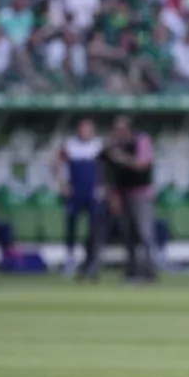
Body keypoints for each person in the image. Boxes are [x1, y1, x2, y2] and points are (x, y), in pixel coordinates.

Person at [101, 116, 157, 282]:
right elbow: (107, 172)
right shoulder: (113, 146)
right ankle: (132, 270)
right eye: (116, 129)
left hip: (141, 193)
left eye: (121, 129)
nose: (118, 133)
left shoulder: (141, 140)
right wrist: (113, 196)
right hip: (122, 193)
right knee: (127, 234)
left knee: (144, 233)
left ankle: (148, 270)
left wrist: (122, 158)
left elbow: (143, 164)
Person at [51, 117, 103, 279]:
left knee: (94, 227)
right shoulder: (70, 145)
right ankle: (70, 258)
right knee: (71, 225)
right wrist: (62, 184)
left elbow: (106, 168)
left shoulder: (99, 146)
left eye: (88, 129)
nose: (85, 132)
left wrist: (103, 186)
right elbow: (55, 162)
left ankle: (91, 260)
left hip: (92, 192)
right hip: (75, 191)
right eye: (82, 129)